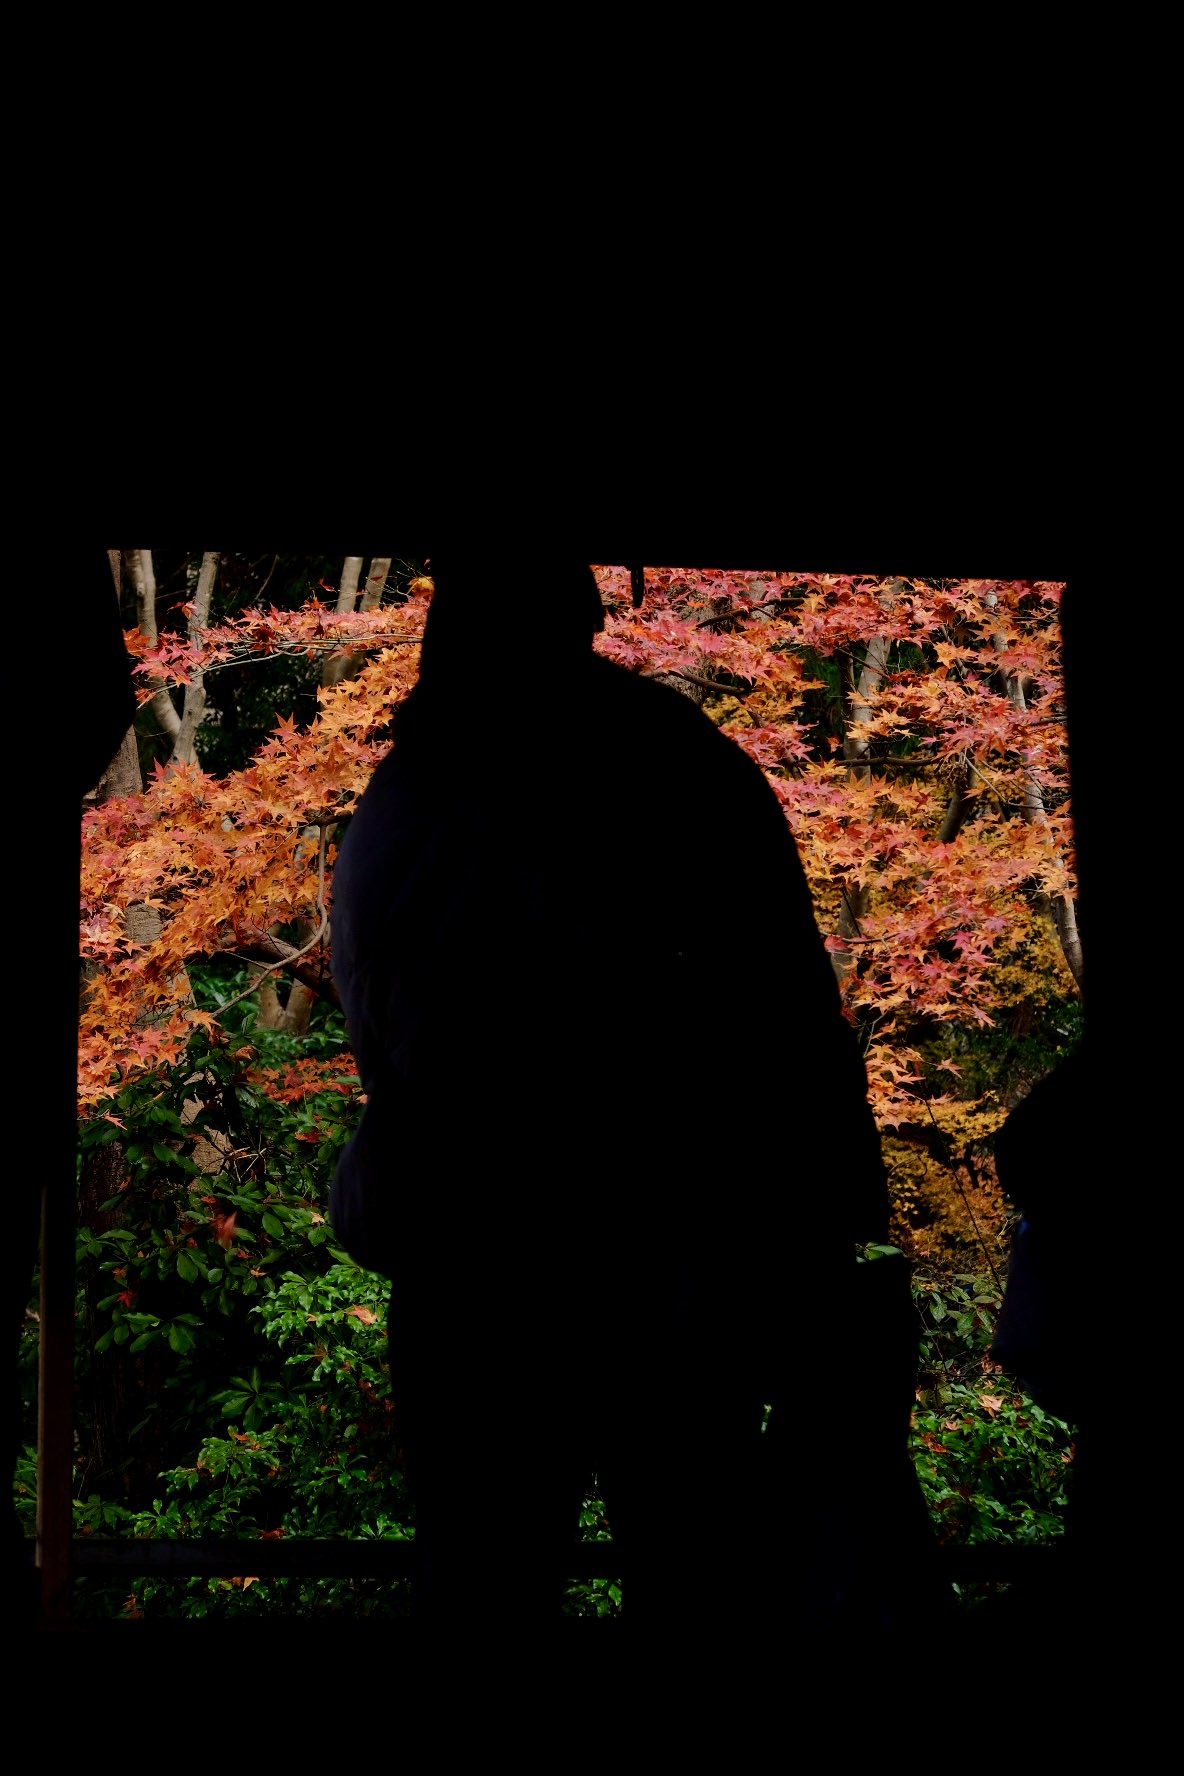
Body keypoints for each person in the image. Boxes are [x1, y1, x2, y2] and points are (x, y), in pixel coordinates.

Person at [328, 557, 912, 1631]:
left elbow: (389, 1024)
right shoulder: (671, 758)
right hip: (669, 1250)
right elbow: (785, 1005)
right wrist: (827, 1226)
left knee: (480, 1575)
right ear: (580, 613)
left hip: (462, 1246)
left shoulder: (405, 793)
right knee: (693, 1567)